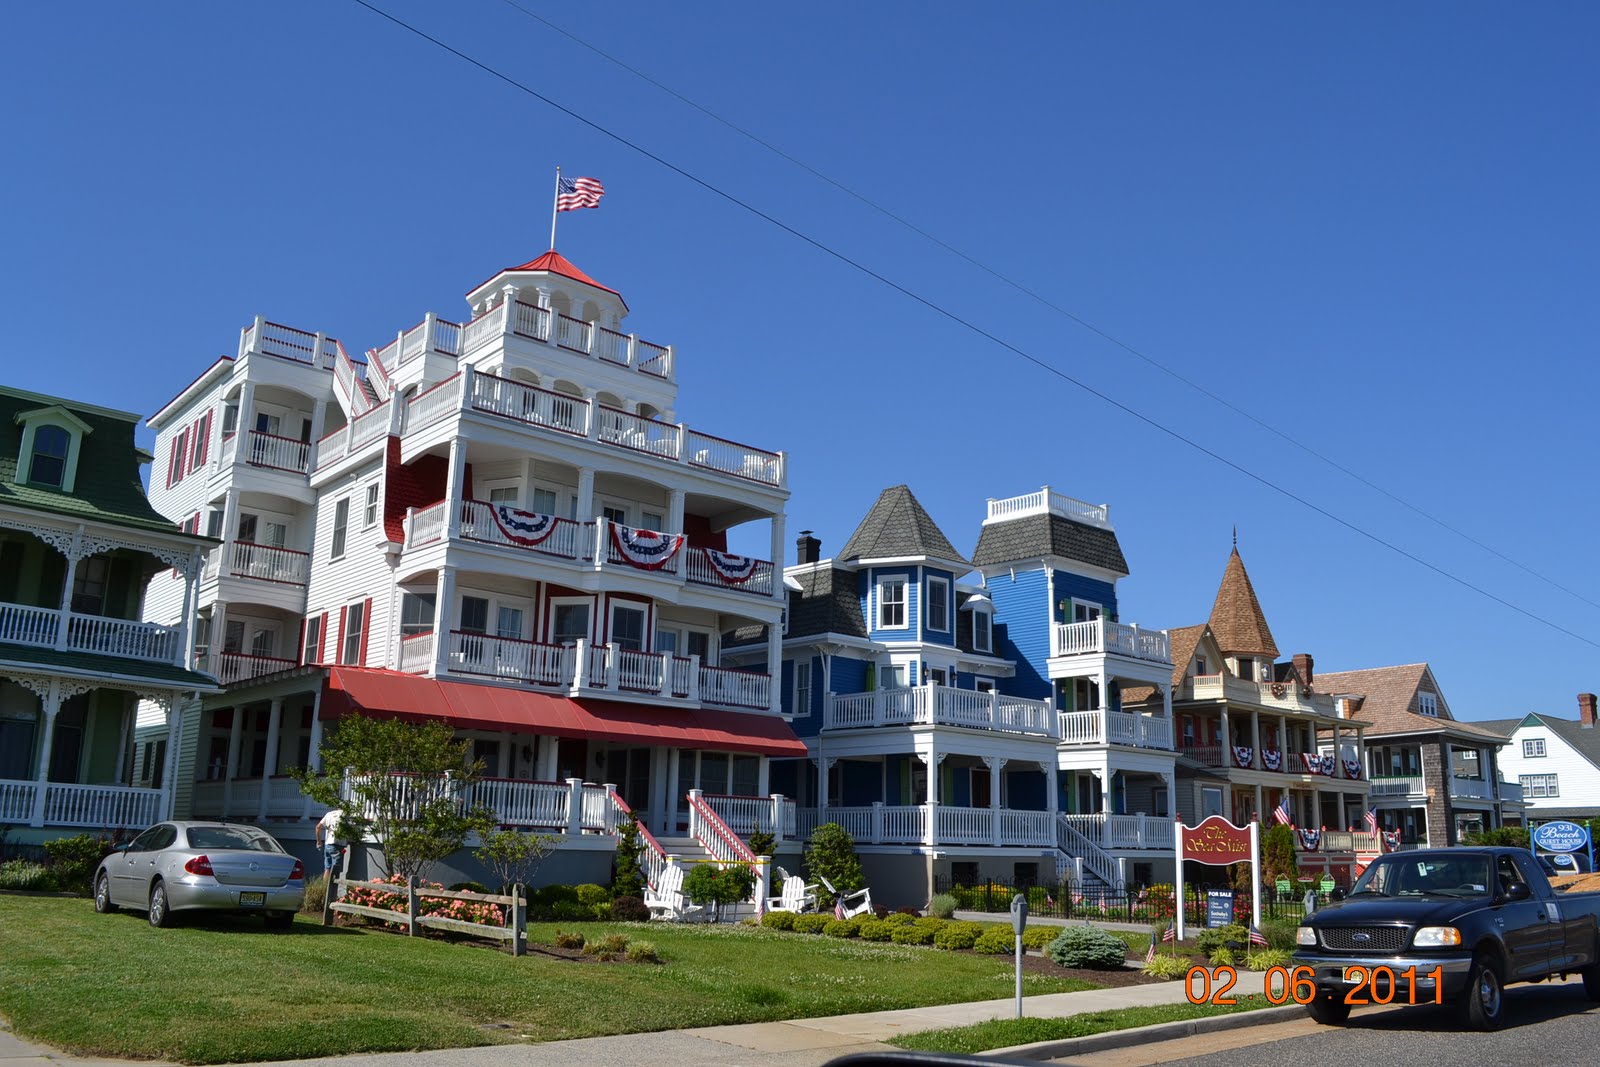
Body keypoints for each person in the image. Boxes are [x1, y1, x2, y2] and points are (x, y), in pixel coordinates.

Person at [316, 807, 345, 876]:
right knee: (335, 868)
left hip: (327, 844)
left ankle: (324, 886)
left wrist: (318, 841)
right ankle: (333, 886)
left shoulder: (329, 814)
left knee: (327, 868)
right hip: (337, 844)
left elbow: (318, 827)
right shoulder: (345, 815)